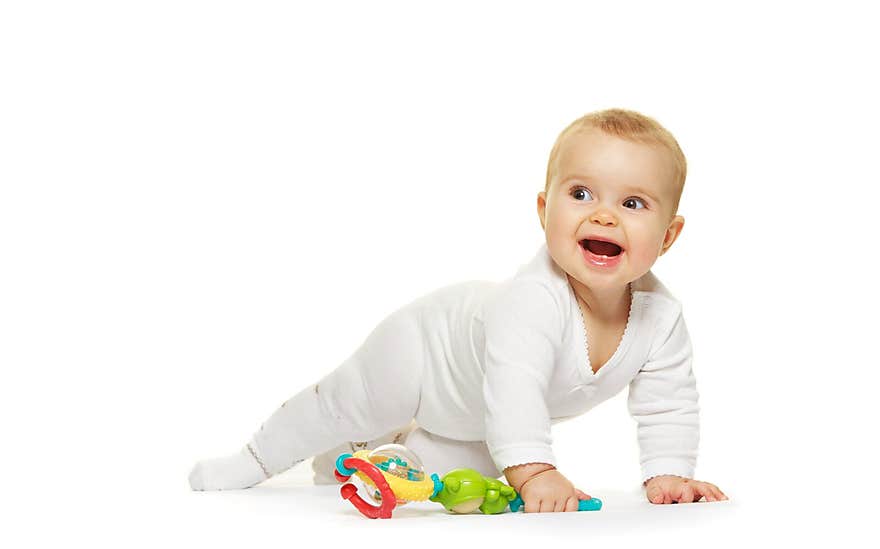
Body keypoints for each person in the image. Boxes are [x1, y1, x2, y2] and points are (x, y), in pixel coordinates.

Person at [188, 107, 727, 511]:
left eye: (632, 204)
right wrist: (537, 471)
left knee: (464, 476)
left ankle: (352, 460)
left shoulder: (661, 319)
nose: (604, 216)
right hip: (426, 353)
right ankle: (255, 459)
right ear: (545, 211)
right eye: (582, 194)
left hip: (474, 419)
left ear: (669, 234)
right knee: (350, 403)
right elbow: (516, 393)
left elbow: (668, 404)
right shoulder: (532, 301)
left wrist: (669, 474)